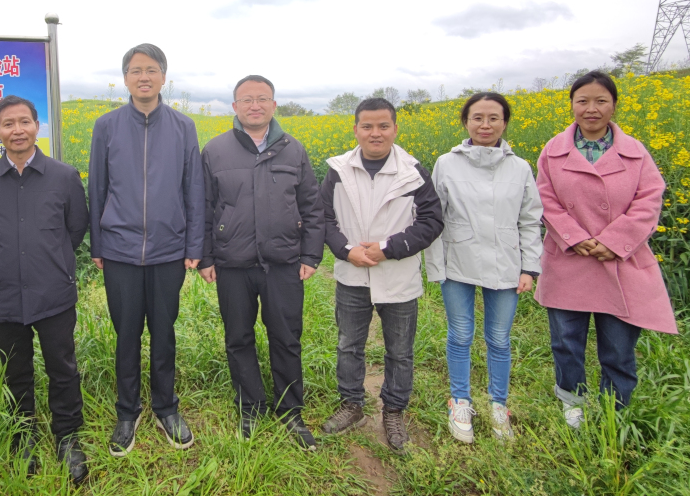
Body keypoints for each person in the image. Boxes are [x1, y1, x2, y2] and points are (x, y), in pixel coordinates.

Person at [535, 70, 676, 430]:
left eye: (601, 101)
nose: (591, 109)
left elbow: (649, 200)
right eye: (582, 101)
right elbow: (544, 199)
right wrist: (575, 237)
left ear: (614, 105)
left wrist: (613, 241)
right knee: (566, 341)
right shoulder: (553, 151)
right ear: (572, 105)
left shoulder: (635, 152)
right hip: (570, 258)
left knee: (618, 346)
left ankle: (616, 409)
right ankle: (572, 401)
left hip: (621, 259)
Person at [0, 95, 90, 483]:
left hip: (53, 293)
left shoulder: (64, 177)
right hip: (3, 296)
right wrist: (2, 265)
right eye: (8, 124)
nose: (17, 130)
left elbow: (76, 230)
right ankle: (23, 435)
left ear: (37, 126)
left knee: (62, 367)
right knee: (15, 370)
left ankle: (67, 436)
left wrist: (47, 261)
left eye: (25, 122)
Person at [88, 43, 205, 456]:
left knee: (163, 331)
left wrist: (193, 243)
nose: (144, 77)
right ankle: (127, 411)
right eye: (136, 70)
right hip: (119, 249)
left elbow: (193, 188)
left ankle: (166, 407)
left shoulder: (183, 126)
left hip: (168, 248)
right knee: (126, 333)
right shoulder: (106, 126)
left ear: (163, 77)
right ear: (125, 78)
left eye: (151, 70)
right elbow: (97, 187)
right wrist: (98, 244)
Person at [197, 75, 325, 450]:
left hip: (283, 262)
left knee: (286, 337)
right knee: (238, 337)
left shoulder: (293, 149)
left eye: (262, 99)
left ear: (273, 104)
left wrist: (311, 254)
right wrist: (206, 256)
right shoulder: (215, 150)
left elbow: (312, 206)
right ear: (235, 107)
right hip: (232, 263)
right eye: (247, 100)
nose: (255, 106)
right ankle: (250, 407)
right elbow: (203, 208)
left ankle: (290, 410)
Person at [320, 97, 444, 451]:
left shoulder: (413, 172)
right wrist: (346, 250)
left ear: (395, 129)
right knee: (348, 345)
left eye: (383, 126)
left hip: (398, 276)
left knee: (400, 351)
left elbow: (431, 221)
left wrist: (388, 248)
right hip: (352, 275)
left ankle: (393, 410)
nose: (375, 133)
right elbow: (323, 218)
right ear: (356, 129)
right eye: (367, 126)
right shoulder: (338, 170)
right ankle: (352, 405)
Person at [424, 92, 543, 444]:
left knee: (499, 339)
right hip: (458, 261)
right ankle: (460, 401)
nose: (485, 125)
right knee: (460, 335)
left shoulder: (519, 168)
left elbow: (529, 220)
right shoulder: (447, 163)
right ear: (466, 122)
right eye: (477, 118)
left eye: (494, 118)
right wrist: (436, 267)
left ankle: (498, 405)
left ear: (505, 123)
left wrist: (530, 268)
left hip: (506, 262)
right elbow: (434, 217)